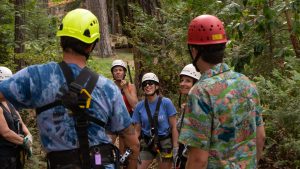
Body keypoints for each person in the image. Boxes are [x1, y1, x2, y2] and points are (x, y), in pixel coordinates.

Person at [0, 9, 139, 169]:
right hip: (101, 161)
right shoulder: (108, 88)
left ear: (62, 41)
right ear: (91, 46)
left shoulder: (36, 76)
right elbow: (132, 142)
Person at [178, 15, 266, 169]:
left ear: (194, 50)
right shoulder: (247, 83)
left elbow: (198, 159)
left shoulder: (200, 92)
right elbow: (260, 137)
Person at [132, 73, 178, 169]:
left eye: (150, 83)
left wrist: (175, 147)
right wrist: (133, 146)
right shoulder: (139, 107)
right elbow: (137, 130)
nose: (147, 86)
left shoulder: (166, 103)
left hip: (165, 142)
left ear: (156, 86)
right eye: (145, 84)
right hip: (147, 142)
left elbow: (174, 127)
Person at [0, 66, 32, 169]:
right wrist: (24, 142)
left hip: (15, 154)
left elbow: (21, 123)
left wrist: (28, 135)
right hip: (3, 157)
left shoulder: (10, 103)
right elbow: (6, 133)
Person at [110, 59, 138, 164]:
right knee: (104, 144)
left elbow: (135, 104)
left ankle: (123, 162)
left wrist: (125, 89)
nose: (118, 72)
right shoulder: (109, 86)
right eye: (115, 70)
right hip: (112, 119)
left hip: (127, 119)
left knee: (128, 147)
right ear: (112, 73)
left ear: (124, 72)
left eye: (120, 70)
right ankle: (102, 162)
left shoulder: (131, 86)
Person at [175, 64, 200, 169]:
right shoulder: (187, 106)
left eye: (188, 81)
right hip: (183, 158)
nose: (182, 83)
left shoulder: (199, 108)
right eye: (182, 80)